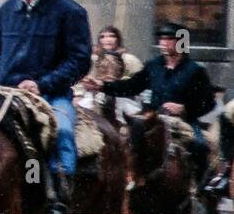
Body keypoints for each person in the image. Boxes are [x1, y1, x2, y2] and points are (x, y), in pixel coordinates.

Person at [0, 0, 92, 214]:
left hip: (51, 96)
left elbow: (80, 61)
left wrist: (42, 84)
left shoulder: (70, 12)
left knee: (62, 133)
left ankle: (60, 201)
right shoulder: (5, 10)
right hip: (6, 93)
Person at [85, 21, 223, 196]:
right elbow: (131, 86)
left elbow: (209, 103)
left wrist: (184, 108)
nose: (163, 44)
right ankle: (127, 183)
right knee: (125, 141)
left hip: (183, 121)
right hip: (152, 117)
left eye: (169, 40)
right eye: (162, 40)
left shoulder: (195, 71)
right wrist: (102, 86)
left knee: (201, 145)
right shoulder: (153, 66)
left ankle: (197, 193)